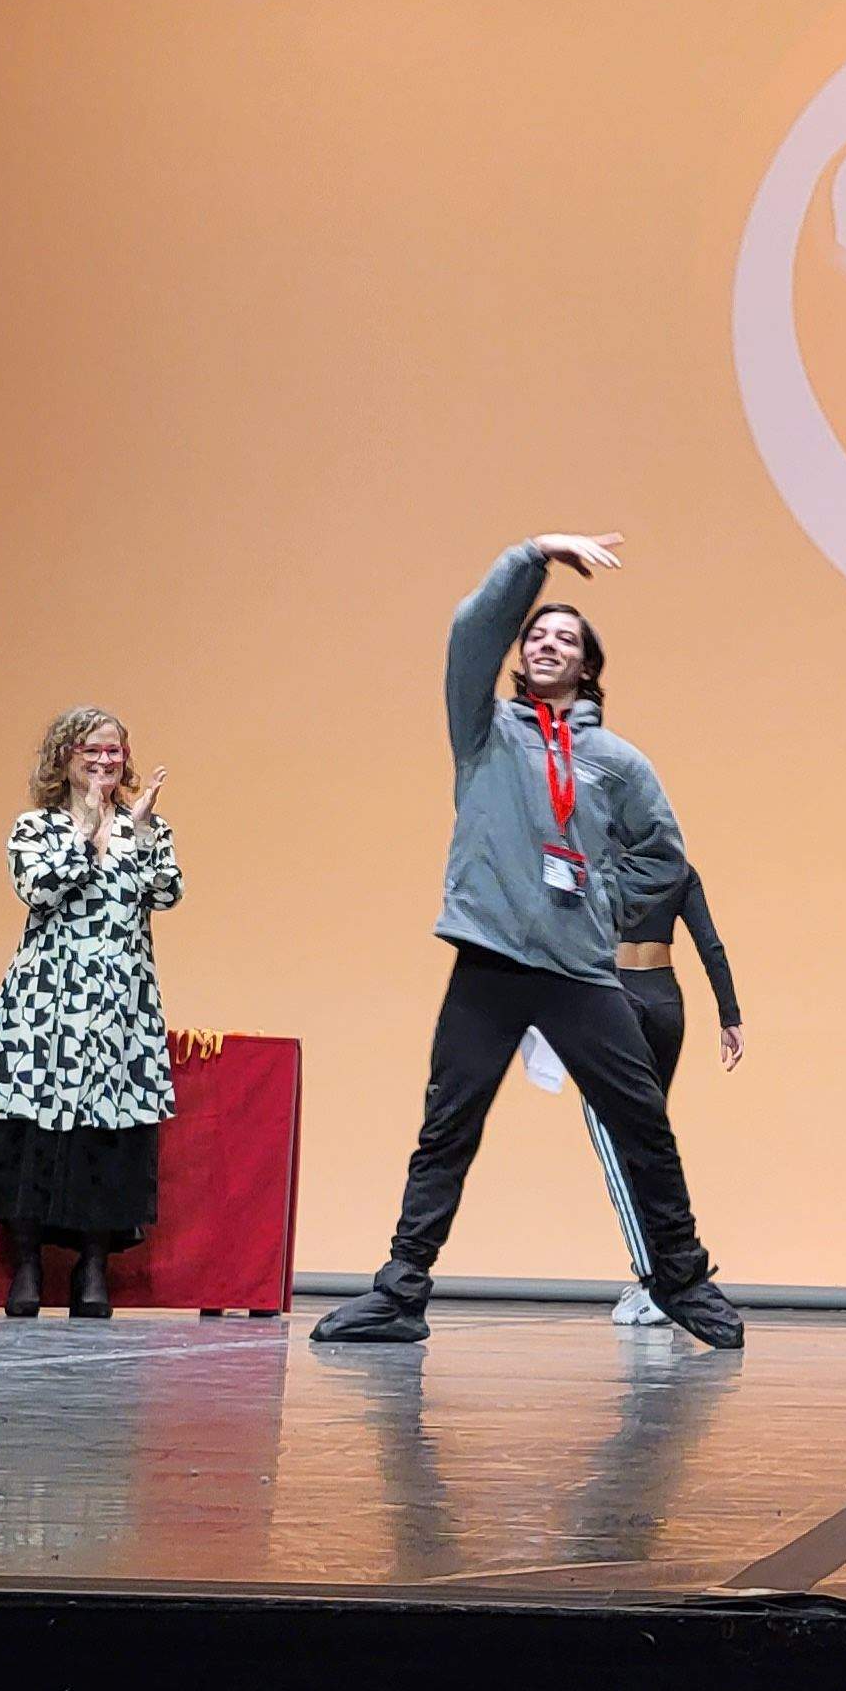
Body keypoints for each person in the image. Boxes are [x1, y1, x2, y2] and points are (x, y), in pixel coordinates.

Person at [315, 531, 741, 1350]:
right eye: (537, 636)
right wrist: (532, 555)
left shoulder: (617, 762)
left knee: (643, 1124)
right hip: (491, 961)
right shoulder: (484, 731)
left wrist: (602, 902)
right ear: (518, 657)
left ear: (588, 669)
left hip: (580, 972)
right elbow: (470, 630)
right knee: (448, 1128)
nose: (549, 645)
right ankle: (401, 1293)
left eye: (568, 641)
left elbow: (666, 857)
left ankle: (682, 1280)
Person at [0, 706, 179, 1320]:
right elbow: (39, 889)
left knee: (107, 1138)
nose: (105, 761)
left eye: (114, 751)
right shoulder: (37, 827)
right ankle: (27, 1264)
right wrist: (86, 834)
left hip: (121, 1003)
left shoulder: (148, 827)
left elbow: (167, 892)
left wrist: (135, 832)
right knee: (34, 1131)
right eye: (91, 751)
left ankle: (93, 1266)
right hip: (46, 999)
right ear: (65, 758)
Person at [594, 863, 743, 1326]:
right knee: (647, 1140)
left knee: (607, 1131)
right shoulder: (678, 870)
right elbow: (710, 946)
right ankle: (664, 1271)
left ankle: (654, 1279)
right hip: (665, 1001)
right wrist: (729, 1016)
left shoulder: (603, 861)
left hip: (615, 997)